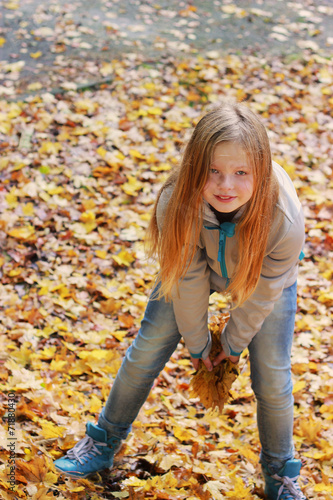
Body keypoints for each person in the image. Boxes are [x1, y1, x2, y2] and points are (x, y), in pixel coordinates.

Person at [54, 99, 307, 500]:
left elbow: (260, 294)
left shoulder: (284, 217)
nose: (226, 185)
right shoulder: (177, 202)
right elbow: (188, 278)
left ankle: (280, 473)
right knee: (147, 348)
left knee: (273, 377)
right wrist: (200, 345)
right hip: (196, 266)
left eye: (241, 173)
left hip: (261, 279)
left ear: (260, 170)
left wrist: (232, 345)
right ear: (194, 168)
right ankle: (104, 440)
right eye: (213, 171)